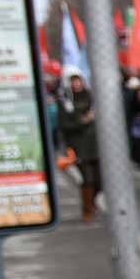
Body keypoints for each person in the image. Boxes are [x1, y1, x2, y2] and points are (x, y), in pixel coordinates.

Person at [55, 69, 99, 223]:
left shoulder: (92, 97)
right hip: (78, 146)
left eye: (79, 81)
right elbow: (64, 125)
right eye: (74, 82)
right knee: (88, 178)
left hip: (95, 144)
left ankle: (92, 202)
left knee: (100, 179)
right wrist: (83, 121)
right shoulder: (66, 101)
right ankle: (87, 209)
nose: (77, 84)